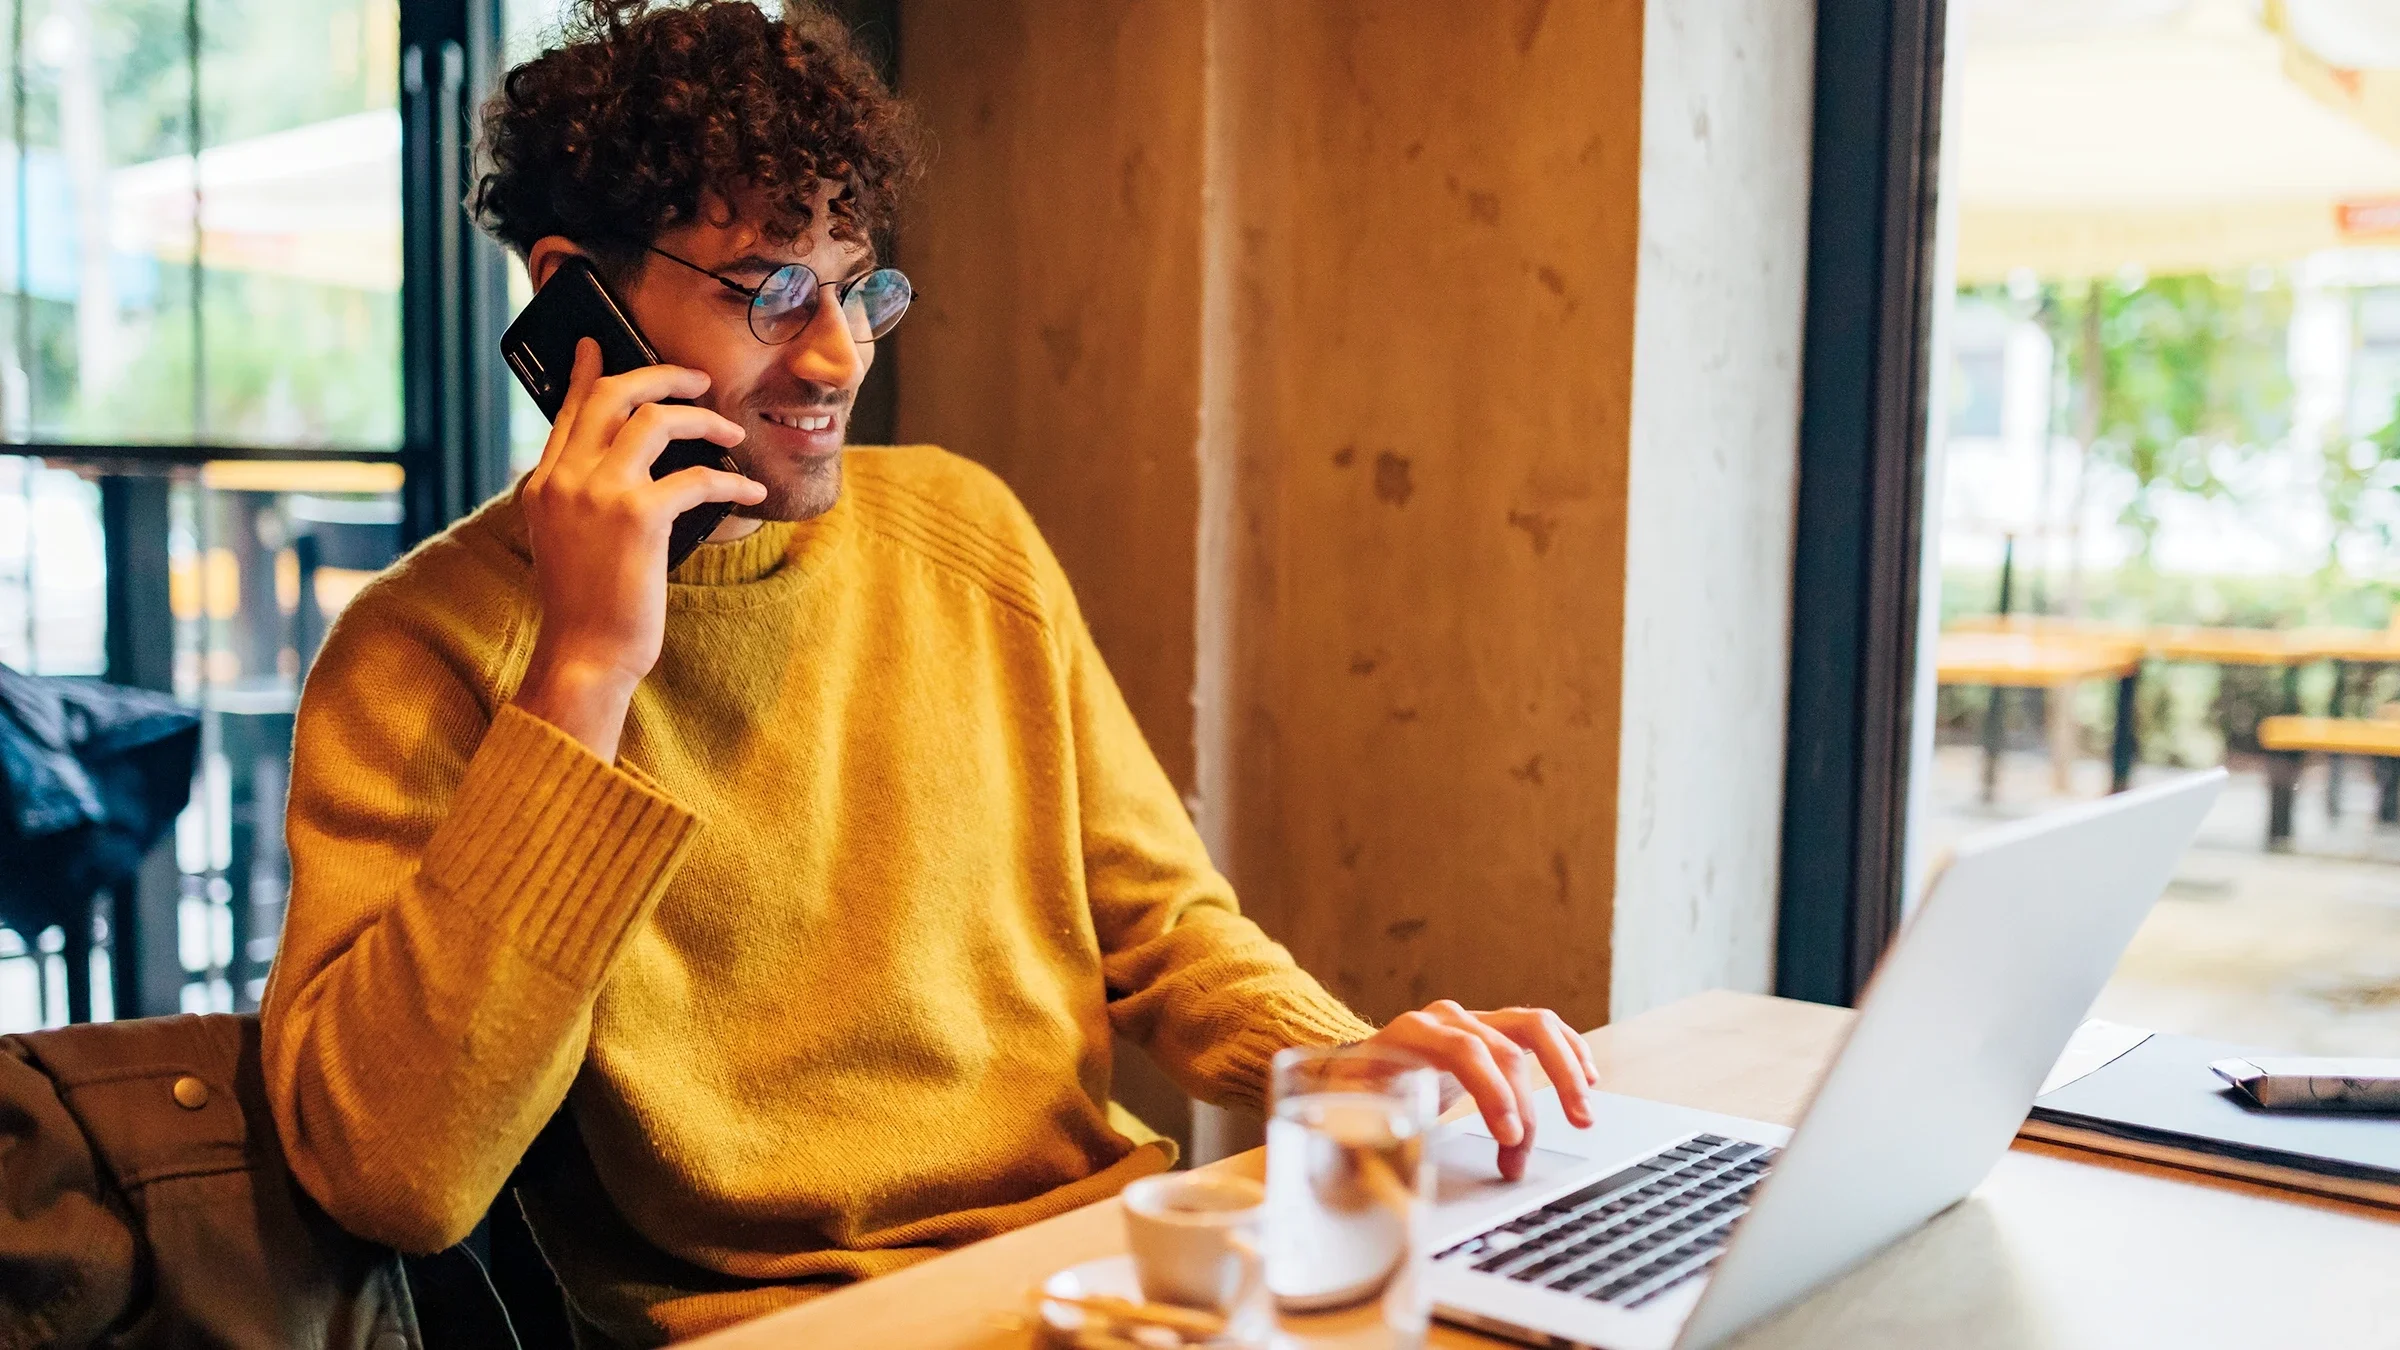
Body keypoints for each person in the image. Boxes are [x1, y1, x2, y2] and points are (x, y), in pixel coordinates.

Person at [260, 1, 1598, 1343]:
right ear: (571, 296)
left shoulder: (965, 529)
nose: (840, 353)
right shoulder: (424, 650)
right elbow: (398, 1174)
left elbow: (1163, 922)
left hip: (1106, 1272)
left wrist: (1332, 1055)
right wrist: (588, 669)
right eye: (774, 290)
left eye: (859, 282)